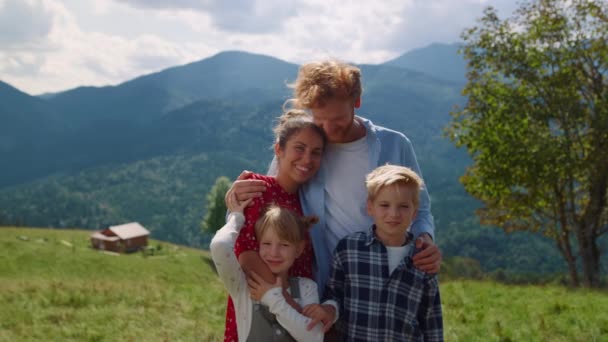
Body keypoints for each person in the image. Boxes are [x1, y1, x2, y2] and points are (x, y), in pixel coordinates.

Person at [227, 60, 442, 306]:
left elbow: (421, 207)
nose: (329, 130)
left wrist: (425, 238)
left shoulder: (395, 145)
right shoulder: (307, 149)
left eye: (338, 119)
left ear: (357, 101)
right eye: (320, 121)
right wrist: (235, 199)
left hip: (384, 280)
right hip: (324, 285)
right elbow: (274, 197)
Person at [222, 109, 328, 341]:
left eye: (316, 152)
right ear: (279, 149)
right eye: (299, 148)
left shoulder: (306, 201)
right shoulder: (257, 188)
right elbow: (247, 257)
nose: (307, 159)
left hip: (294, 320)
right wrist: (291, 307)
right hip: (257, 312)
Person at [305, 165, 443, 341]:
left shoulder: (423, 260)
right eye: (384, 205)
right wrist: (329, 310)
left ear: (414, 213)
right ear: (370, 207)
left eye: (403, 206)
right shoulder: (349, 250)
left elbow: (432, 323)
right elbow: (334, 294)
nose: (393, 214)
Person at [211, 198, 324, 341]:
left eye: (284, 245)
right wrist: (236, 217)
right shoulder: (243, 285)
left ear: (299, 249)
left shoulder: (306, 287)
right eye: (266, 243)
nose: (274, 252)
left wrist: (272, 298)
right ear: (258, 245)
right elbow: (219, 245)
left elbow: (315, 336)